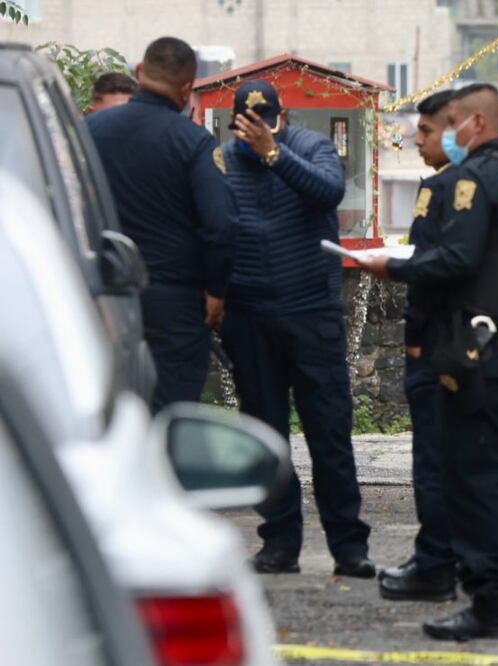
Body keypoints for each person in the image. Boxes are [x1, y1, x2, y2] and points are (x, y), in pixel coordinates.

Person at [359, 83, 498, 640]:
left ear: (478, 124)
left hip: (480, 354)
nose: (450, 132)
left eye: (454, 121)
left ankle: (493, 604)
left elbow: (457, 259)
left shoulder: (474, 179)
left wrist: (393, 267)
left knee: (475, 478)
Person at [217, 80, 374, 578]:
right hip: (249, 315)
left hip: (311, 313)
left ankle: (349, 547)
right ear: (235, 123)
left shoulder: (312, 148)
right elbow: (212, 228)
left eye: (266, 122)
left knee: (329, 432)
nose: (257, 132)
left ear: (281, 118)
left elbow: (328, 191)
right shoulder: (222, 161)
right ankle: (280, 544)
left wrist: (274, 154)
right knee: (265, 437)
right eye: (248, 125)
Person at [87, 37, 236, 413]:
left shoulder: (89, 132)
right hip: (173, 305)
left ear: (140, 71)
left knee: (106, 409)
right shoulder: (194, 143)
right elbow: (220, 225)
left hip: (102, 294)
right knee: (170, 414)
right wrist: (216, 293)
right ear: (188, 87)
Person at [377, 90, 459, 603]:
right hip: (477, 344)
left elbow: (429, 270)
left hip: (441, 345)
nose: (415, 140)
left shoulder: (446, 188)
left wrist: (414, 340)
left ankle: (436, 565)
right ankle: (444, 558)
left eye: (426, 131)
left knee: (434, 462)